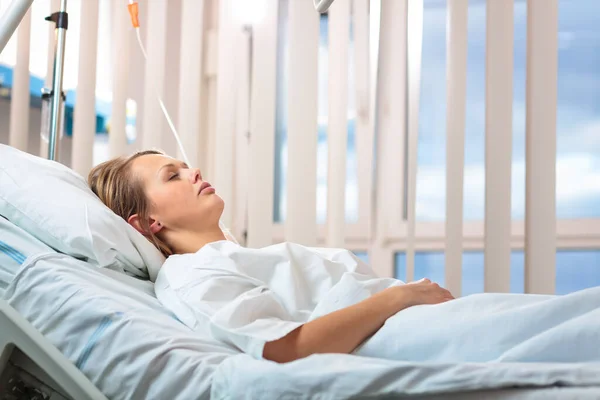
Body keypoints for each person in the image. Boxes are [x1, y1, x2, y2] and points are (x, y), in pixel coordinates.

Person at [89, 150, 600, 364]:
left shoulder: (241, 258)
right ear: (147, 224)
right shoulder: (189, 276)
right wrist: (402, 296)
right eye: (173, 177)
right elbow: (283, 349)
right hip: (395, 337)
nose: (194, 173)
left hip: (419, 325)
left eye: (186, 167)